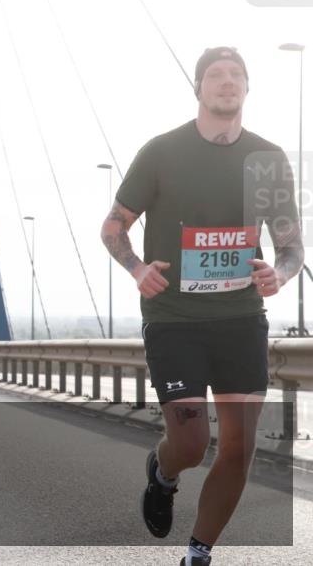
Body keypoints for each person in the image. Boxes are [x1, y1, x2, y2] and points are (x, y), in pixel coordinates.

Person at [99, 47, 302, 566]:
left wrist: (278, 274)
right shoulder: (162, 152)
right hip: (175, 321)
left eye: (236, 74)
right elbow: (114, 226)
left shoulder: (268, 159)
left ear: (247, 88)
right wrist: (137, 268)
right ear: (198, 88)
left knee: (238, 447)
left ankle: (199, 553)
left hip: (241, 321)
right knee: (190, 443)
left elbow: (291, 245)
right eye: (215, 74)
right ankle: (163, 474)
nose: (227, 81)